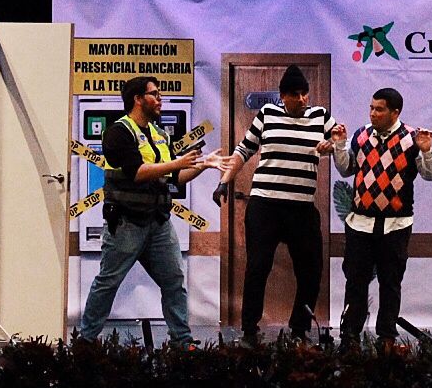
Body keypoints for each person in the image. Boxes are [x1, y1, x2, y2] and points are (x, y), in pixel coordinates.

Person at [77, 75, 225, 347]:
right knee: (108, 283)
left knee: (174, 282)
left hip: (158, 223)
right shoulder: (118, 132)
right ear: (137, 99)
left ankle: (182, 341)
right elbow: (137, 173)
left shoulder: (158, 133)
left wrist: (203, 165)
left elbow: (173, 178)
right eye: (154, 94)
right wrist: (178, 162)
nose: (160, 99)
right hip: (126, 224)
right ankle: (85, 341)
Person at [217, 65, 336, 342]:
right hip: (265, 206)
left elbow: (339, 141)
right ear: (283, 96)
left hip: (302, 207)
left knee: (311, 269)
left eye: (305, 93)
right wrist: (224, 181)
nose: (302, 99)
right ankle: (249, 328)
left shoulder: (320, 116)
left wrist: (334, 144)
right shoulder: (267, 115)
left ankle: (299, 328)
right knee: (258, 266)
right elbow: (243, 150)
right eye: (295, 94)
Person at [328, 86, 432, 344]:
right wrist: (340, 146)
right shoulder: (361, 135)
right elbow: (346, 170)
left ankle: (386, 336)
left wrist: (426, 151)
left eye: (379, 109)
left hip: (396, 224)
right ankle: (350, 335)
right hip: (360, 223)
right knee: (355, 282)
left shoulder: (413, 137)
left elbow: (431, 174)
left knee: (390, 283)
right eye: (371, 108)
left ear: (395, 112)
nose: (373, 114)